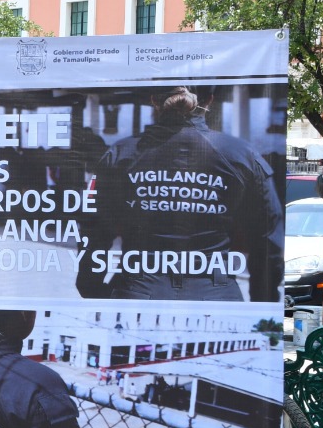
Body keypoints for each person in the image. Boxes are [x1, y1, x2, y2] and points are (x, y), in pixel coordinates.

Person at [77, 86, 283, 301]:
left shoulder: (121, 154)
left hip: (136, 294)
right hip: (216, 298)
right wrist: (264, 299)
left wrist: (91, 287)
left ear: (154, 100)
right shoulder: (241, 155)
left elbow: (94, 228)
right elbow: (267, 237)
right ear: (210, 100)